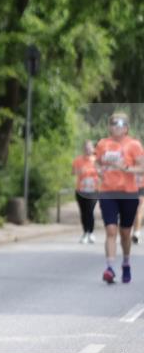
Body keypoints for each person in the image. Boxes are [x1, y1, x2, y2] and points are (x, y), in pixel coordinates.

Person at [94, 112, 144, 284]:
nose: (117, 126)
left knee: (125, 233)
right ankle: (110, 268)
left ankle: (126, 262)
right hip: (108, 192)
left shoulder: (134, 145)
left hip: (128, 193)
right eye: (114, 123)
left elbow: (142, 167)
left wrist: (127, 169)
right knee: (110, 231)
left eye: (121, 124)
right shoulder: (103, 144)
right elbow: (97, 162)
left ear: (127, 127)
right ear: (109, 126)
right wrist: (98, 170)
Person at [72, 140, 100, 244]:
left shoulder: (97, 160)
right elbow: (73, 172)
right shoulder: (78, 160)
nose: (88, 149)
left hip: (93, 190)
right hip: (81, 190)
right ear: (83, 149)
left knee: (90, 211)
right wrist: (80, 171)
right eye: (86, 147)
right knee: (83, 212)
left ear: (93, 149)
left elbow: (103, 173)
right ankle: (85, 232)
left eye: (90, 147)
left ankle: (91, 232)